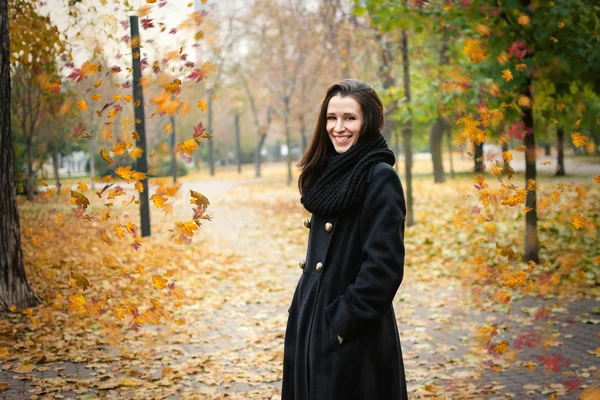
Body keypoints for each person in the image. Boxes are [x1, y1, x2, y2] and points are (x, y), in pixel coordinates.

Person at [282, 79, 408, 400]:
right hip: (312, 321)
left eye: (349, 118)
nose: (338, 127)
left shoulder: (379, 176)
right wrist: (307, 314)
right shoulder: (327, 171)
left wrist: (341, 324)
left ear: (368, 122)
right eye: (331, 117)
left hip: (353, 336)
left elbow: (384, 268)